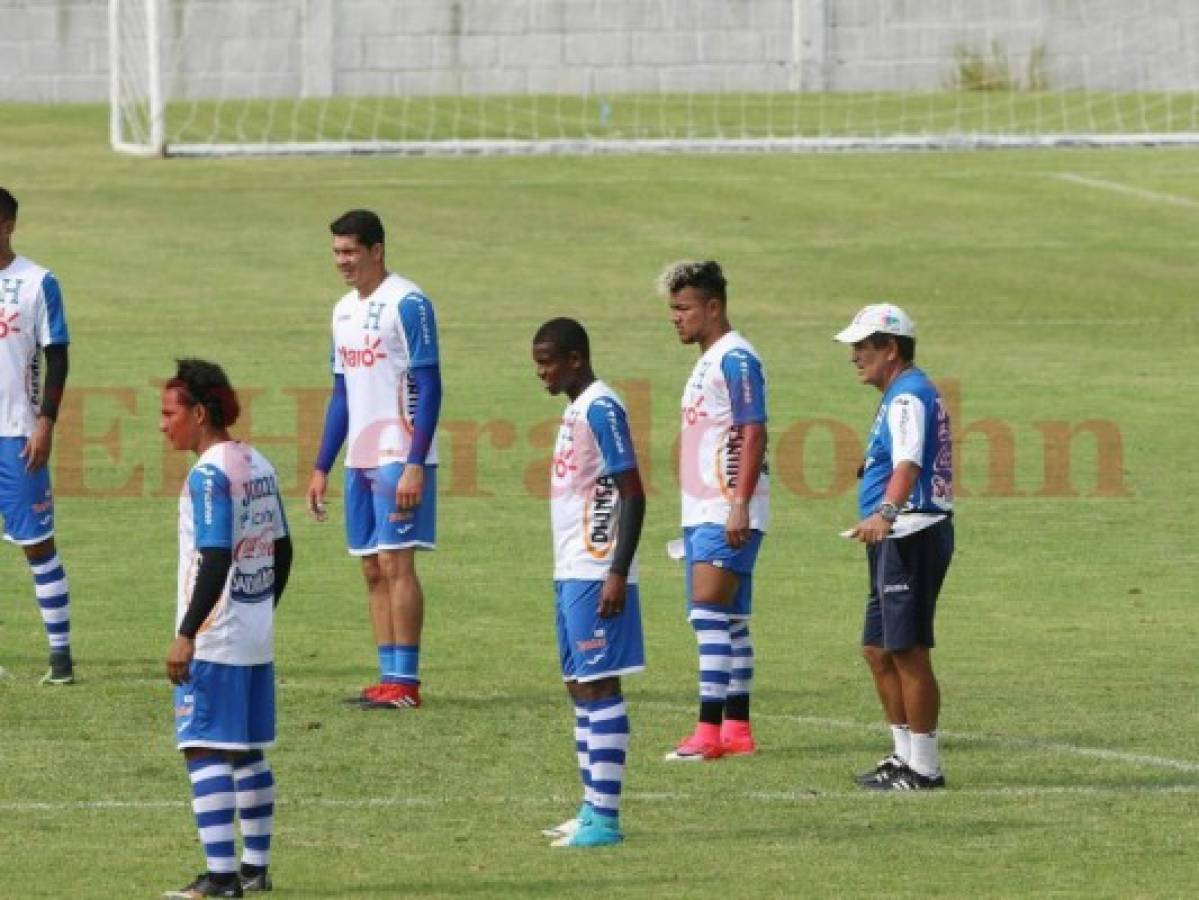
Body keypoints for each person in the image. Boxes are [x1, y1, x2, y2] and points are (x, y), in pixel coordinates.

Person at [160, 359, 293, 898]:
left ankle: (219, 879)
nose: (162, 424)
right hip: (253, 630)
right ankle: (254, 870)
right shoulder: (256, 462)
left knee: (203, 748)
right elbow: (283, 550)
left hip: (216, 633)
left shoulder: (210, 474)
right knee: (246, 750)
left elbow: (213, 557)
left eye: (168, 413)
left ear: (197, 413)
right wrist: (262, 610)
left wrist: (187, 632)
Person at [306, 209, 442, 710]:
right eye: (337, 252)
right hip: (359, 459)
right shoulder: (342, 311)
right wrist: (323, 465)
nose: (342, 261)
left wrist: (414, 461)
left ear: (377, 250)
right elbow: (340, 394)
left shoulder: (408, 303)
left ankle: (406, 683)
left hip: (399, 454)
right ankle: (388, 677)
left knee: (395, 562)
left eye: (350, 252)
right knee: (370, 568)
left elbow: (430, 386)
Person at [532, 318, 645, 848]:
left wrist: (617, 570)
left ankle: (606, 817)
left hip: (596, 568)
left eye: (548, 362)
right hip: (570, 568)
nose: (541, 372)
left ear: (575, 358)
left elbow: (633, 491)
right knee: (579, 686)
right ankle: (589, 807)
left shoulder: (601, 407)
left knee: (600, 684)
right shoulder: (576, 409)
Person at [834, 303, 954, 791]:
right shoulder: (901, 394)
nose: (855, 356)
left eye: (864, 346)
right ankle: (903, 757)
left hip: (909, 533)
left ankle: (925, 768)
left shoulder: (907, 397)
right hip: (897, 535)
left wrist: (884, 514)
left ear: (891, 348)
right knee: (877, 650)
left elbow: (908, 465)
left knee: (907, 650)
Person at [659, 260, 768, 761]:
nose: (675, 318)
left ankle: (707, 734)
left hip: (724, 508)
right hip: (710, 507)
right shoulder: (711, 359)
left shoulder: (736, 358)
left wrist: (738, 504)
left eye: (683, 308)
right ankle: (736, 730)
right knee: (731, 621)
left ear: (714, 307)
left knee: (706, 617)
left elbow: (753, 429)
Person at [0, 187, 75, 685]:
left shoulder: (37, 282)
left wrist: (45, 421)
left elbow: (58, 355)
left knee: (37, 546)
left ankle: (61, 658)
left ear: (7, 225)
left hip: (17, 434)